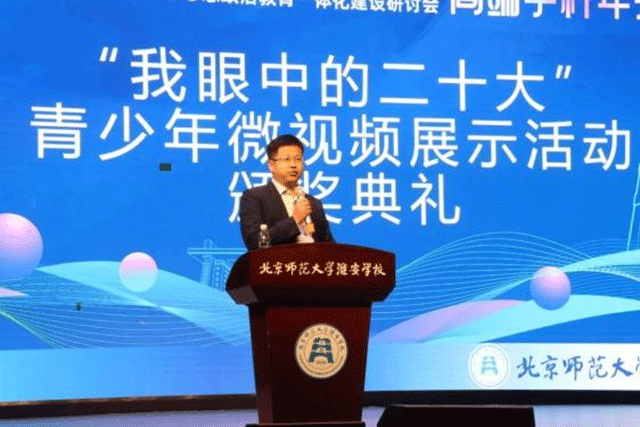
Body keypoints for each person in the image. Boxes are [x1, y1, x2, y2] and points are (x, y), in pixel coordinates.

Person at [239, 134, 335, 250]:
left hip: (313, 261)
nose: (293, 165)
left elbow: (329, 246)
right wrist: (295, 220)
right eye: (287, 159)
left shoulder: (314, 203)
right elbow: (255, 241)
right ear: (271, 165)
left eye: (298, 159)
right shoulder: (254, 197)